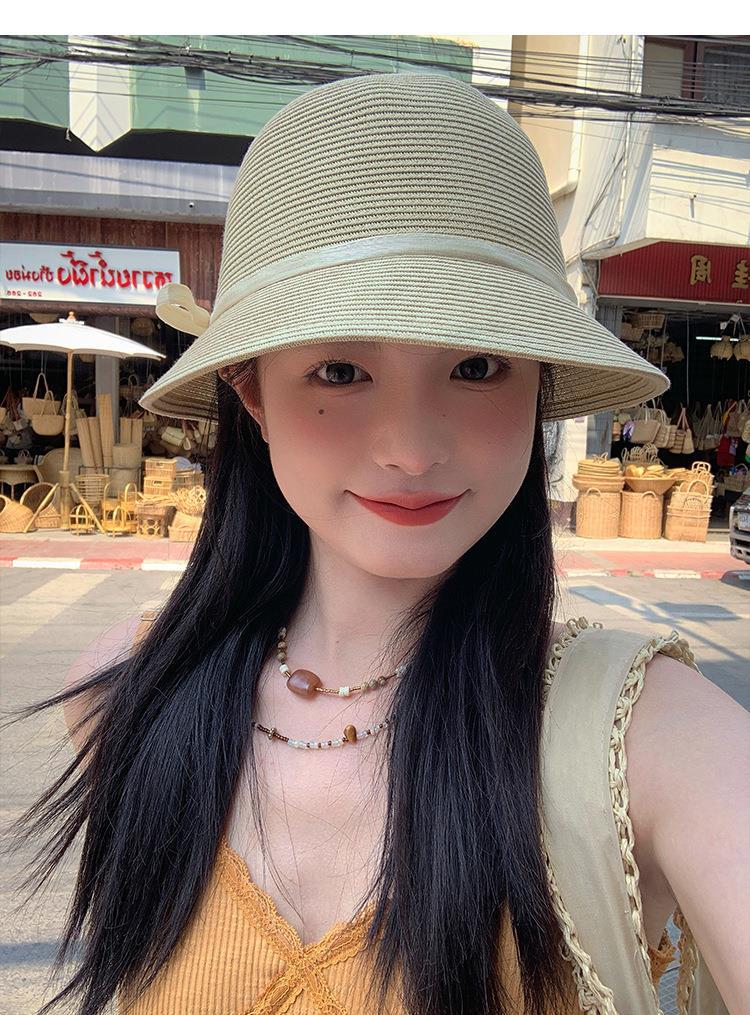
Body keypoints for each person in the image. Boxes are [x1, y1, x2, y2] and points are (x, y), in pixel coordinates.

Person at [4, 73, 747, 1015]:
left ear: (540, 386)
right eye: (339, 369)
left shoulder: (647, 739)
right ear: (252, 392)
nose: (409, 448)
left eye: (476, 364)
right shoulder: (123, 700)